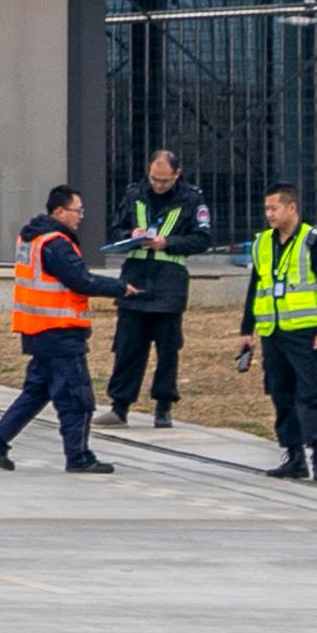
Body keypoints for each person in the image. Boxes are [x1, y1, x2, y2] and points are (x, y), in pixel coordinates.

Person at [0, 182, 117, 475]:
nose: (81, 216)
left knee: (36, 392)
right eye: (77, 211)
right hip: (59, 330)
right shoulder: (56, 244)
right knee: (77, 399)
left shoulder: (30, 238)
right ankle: (78, 456)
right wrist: (120, 288)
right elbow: (81, 281)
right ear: (59, 211)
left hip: (36, 329)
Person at [243, 181, 317, 483]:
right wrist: (245, 330)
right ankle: (293, 455)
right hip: (272, 332)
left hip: (305, 333)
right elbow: (255, 287)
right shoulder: (263, 243)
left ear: (291, 208)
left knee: (310, 395)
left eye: (274, 208)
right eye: (266, 209)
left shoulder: (315, 242)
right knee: (280, 393)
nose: (269, 214)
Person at [106, 146, 210, 429]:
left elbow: (202, 239)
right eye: (154, 179)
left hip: (169, 282)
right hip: (135, 279)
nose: (158, 185)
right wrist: (131, 235)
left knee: (168, 349)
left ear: (177, 174)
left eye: (164, 180)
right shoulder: (134, 194)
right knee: (127, 346)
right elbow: (115, 230)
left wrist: (169, 242)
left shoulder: (192, 199)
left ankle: (163, 408)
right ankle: (119, 406)